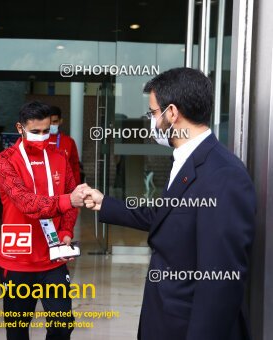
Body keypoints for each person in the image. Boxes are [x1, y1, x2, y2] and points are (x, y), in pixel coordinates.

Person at [83, 67, 256, 340]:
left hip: (185, 326)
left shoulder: (225, 176)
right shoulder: (185, 158)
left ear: (172, 113)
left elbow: (220, 282)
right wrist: (106, 204)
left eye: (153, 113)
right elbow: (165, 217)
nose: (151, 121)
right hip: (164, 317)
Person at [0, 101, 87, 340]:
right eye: (36, 131)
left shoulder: (59, 157)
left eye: (47, 130)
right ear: (20, 128)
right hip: (17, 260)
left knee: (62, 325)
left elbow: (70, 201)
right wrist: (68, 201)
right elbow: (26, 203)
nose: (43, 136)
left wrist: (66, 232)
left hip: (53, 258)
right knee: (17, 330)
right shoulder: (5, 160)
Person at [47, 106, 81, 184]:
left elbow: (75, 166)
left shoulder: (69, 141)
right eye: (49, 122)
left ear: (60, 121)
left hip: (64, 184)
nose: (52, 124)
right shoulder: (40, 140)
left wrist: (76, 186)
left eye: (55, 121)